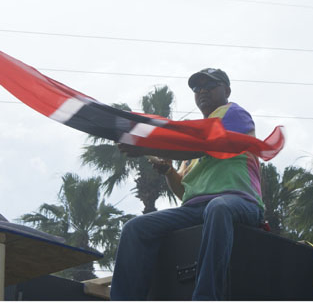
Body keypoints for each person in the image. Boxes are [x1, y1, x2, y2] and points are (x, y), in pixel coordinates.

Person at [110, 68, 264, 301]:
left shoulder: (235, 114)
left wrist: (147, 147)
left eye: (209, 86)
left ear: (227, 90)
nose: (202, 91)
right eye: (196, 88)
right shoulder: (194, 139)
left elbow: (206, 146)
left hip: (240, 203)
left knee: (219, 207)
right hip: (196, 210)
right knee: (135, 228)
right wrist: (169, 171)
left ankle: (205, 299)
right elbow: (184, 191)